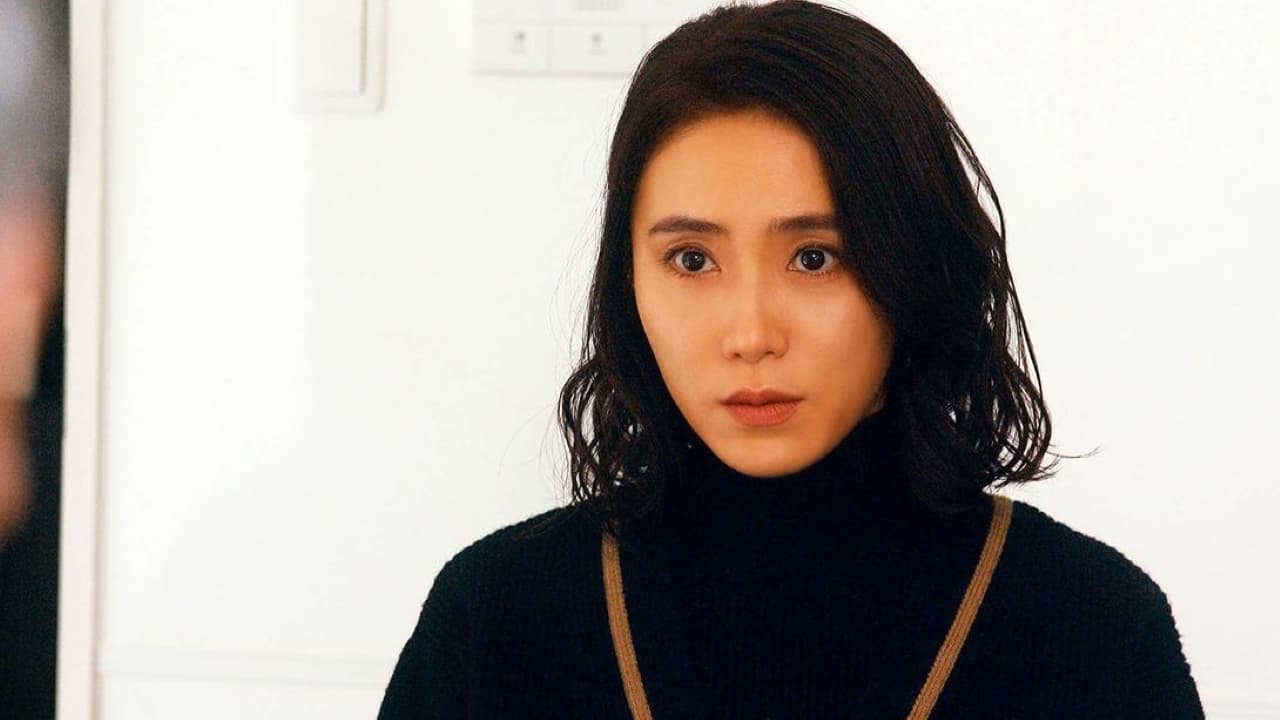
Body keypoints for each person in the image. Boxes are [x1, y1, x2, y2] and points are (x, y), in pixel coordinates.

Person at [378, 2, 1204, 717]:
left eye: (815, 258)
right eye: (692, 260)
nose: (750, 333)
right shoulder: (496, 617)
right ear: (628, 281)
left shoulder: (1093, 626)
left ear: (915, 267)